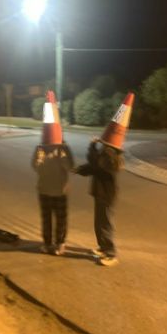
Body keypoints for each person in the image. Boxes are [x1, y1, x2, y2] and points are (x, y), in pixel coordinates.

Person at [32, 91, 74, 255]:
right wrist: (40, 159)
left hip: (59, 191)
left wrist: (62, 154)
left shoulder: (63, 149)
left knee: (61, 220)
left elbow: (70, 167)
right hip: (44, 190)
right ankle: (48, 243)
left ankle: (60, 243)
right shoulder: (40, 149)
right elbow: (35, 167)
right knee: (47, 219)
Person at [74, 137, 123, 266]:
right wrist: (79, 170)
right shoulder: (106, 152)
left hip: (106, 194)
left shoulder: (111, 154)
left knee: (105, 223)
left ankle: (111, 254)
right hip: (100, 193)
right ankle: (103, 247)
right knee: (99, 223)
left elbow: (97, 164)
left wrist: (92, 147)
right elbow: (94, 167)